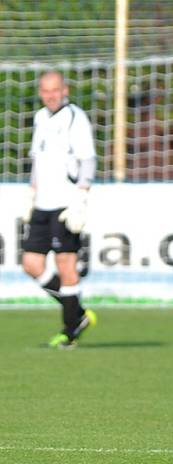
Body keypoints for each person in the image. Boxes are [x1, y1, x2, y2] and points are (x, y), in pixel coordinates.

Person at [21, 70, 97, 349]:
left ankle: (69, 332)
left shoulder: (75, 118)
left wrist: (81, 198)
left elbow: (87, 160)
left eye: (55, 90)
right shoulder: (40, 117)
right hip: (42, 203)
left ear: (65, 89)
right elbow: (38, 160)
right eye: (45, 91)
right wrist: (31, 193)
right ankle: (76, 313)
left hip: (66, 203)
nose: (51, 95)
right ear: (41, 92)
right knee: (31, 264)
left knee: (66, 264)